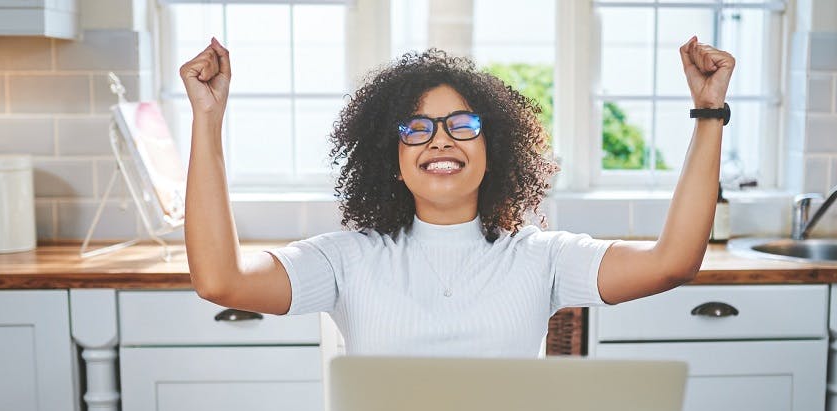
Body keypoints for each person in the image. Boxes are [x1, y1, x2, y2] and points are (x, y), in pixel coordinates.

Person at [180, 36, 734, 357]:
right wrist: (208, 120)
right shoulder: (345, 259)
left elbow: (673, 262)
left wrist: (709, 115)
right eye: (416, 127)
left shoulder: (541, 257)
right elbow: (219, 280)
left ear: (494, 151)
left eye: (461, 124)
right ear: (390, 161)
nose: (440, 138)